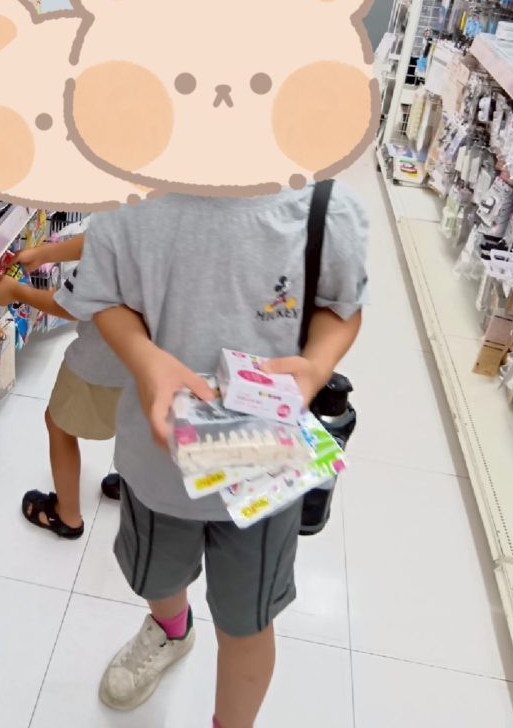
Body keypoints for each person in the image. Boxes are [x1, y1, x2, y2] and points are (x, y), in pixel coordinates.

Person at [52, 185, 368, 727]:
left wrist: (317, 365)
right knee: (157, 579)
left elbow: (340, 306)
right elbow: (105, 296)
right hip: (158, 463)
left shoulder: (323, 209)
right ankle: (171, 631)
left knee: (247, 621)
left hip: (265, 472)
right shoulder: (128, 204)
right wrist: (143, 357)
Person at [0, 231, 125, 538]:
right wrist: (46, 254)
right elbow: (103, 235)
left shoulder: (125, 230)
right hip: (157, 359)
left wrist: (17, 291)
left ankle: (67, 515)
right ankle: (134, 483)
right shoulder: (174, 219)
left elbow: (70, 305)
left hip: (103, 360)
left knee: (59, 424)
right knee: (138, 424)